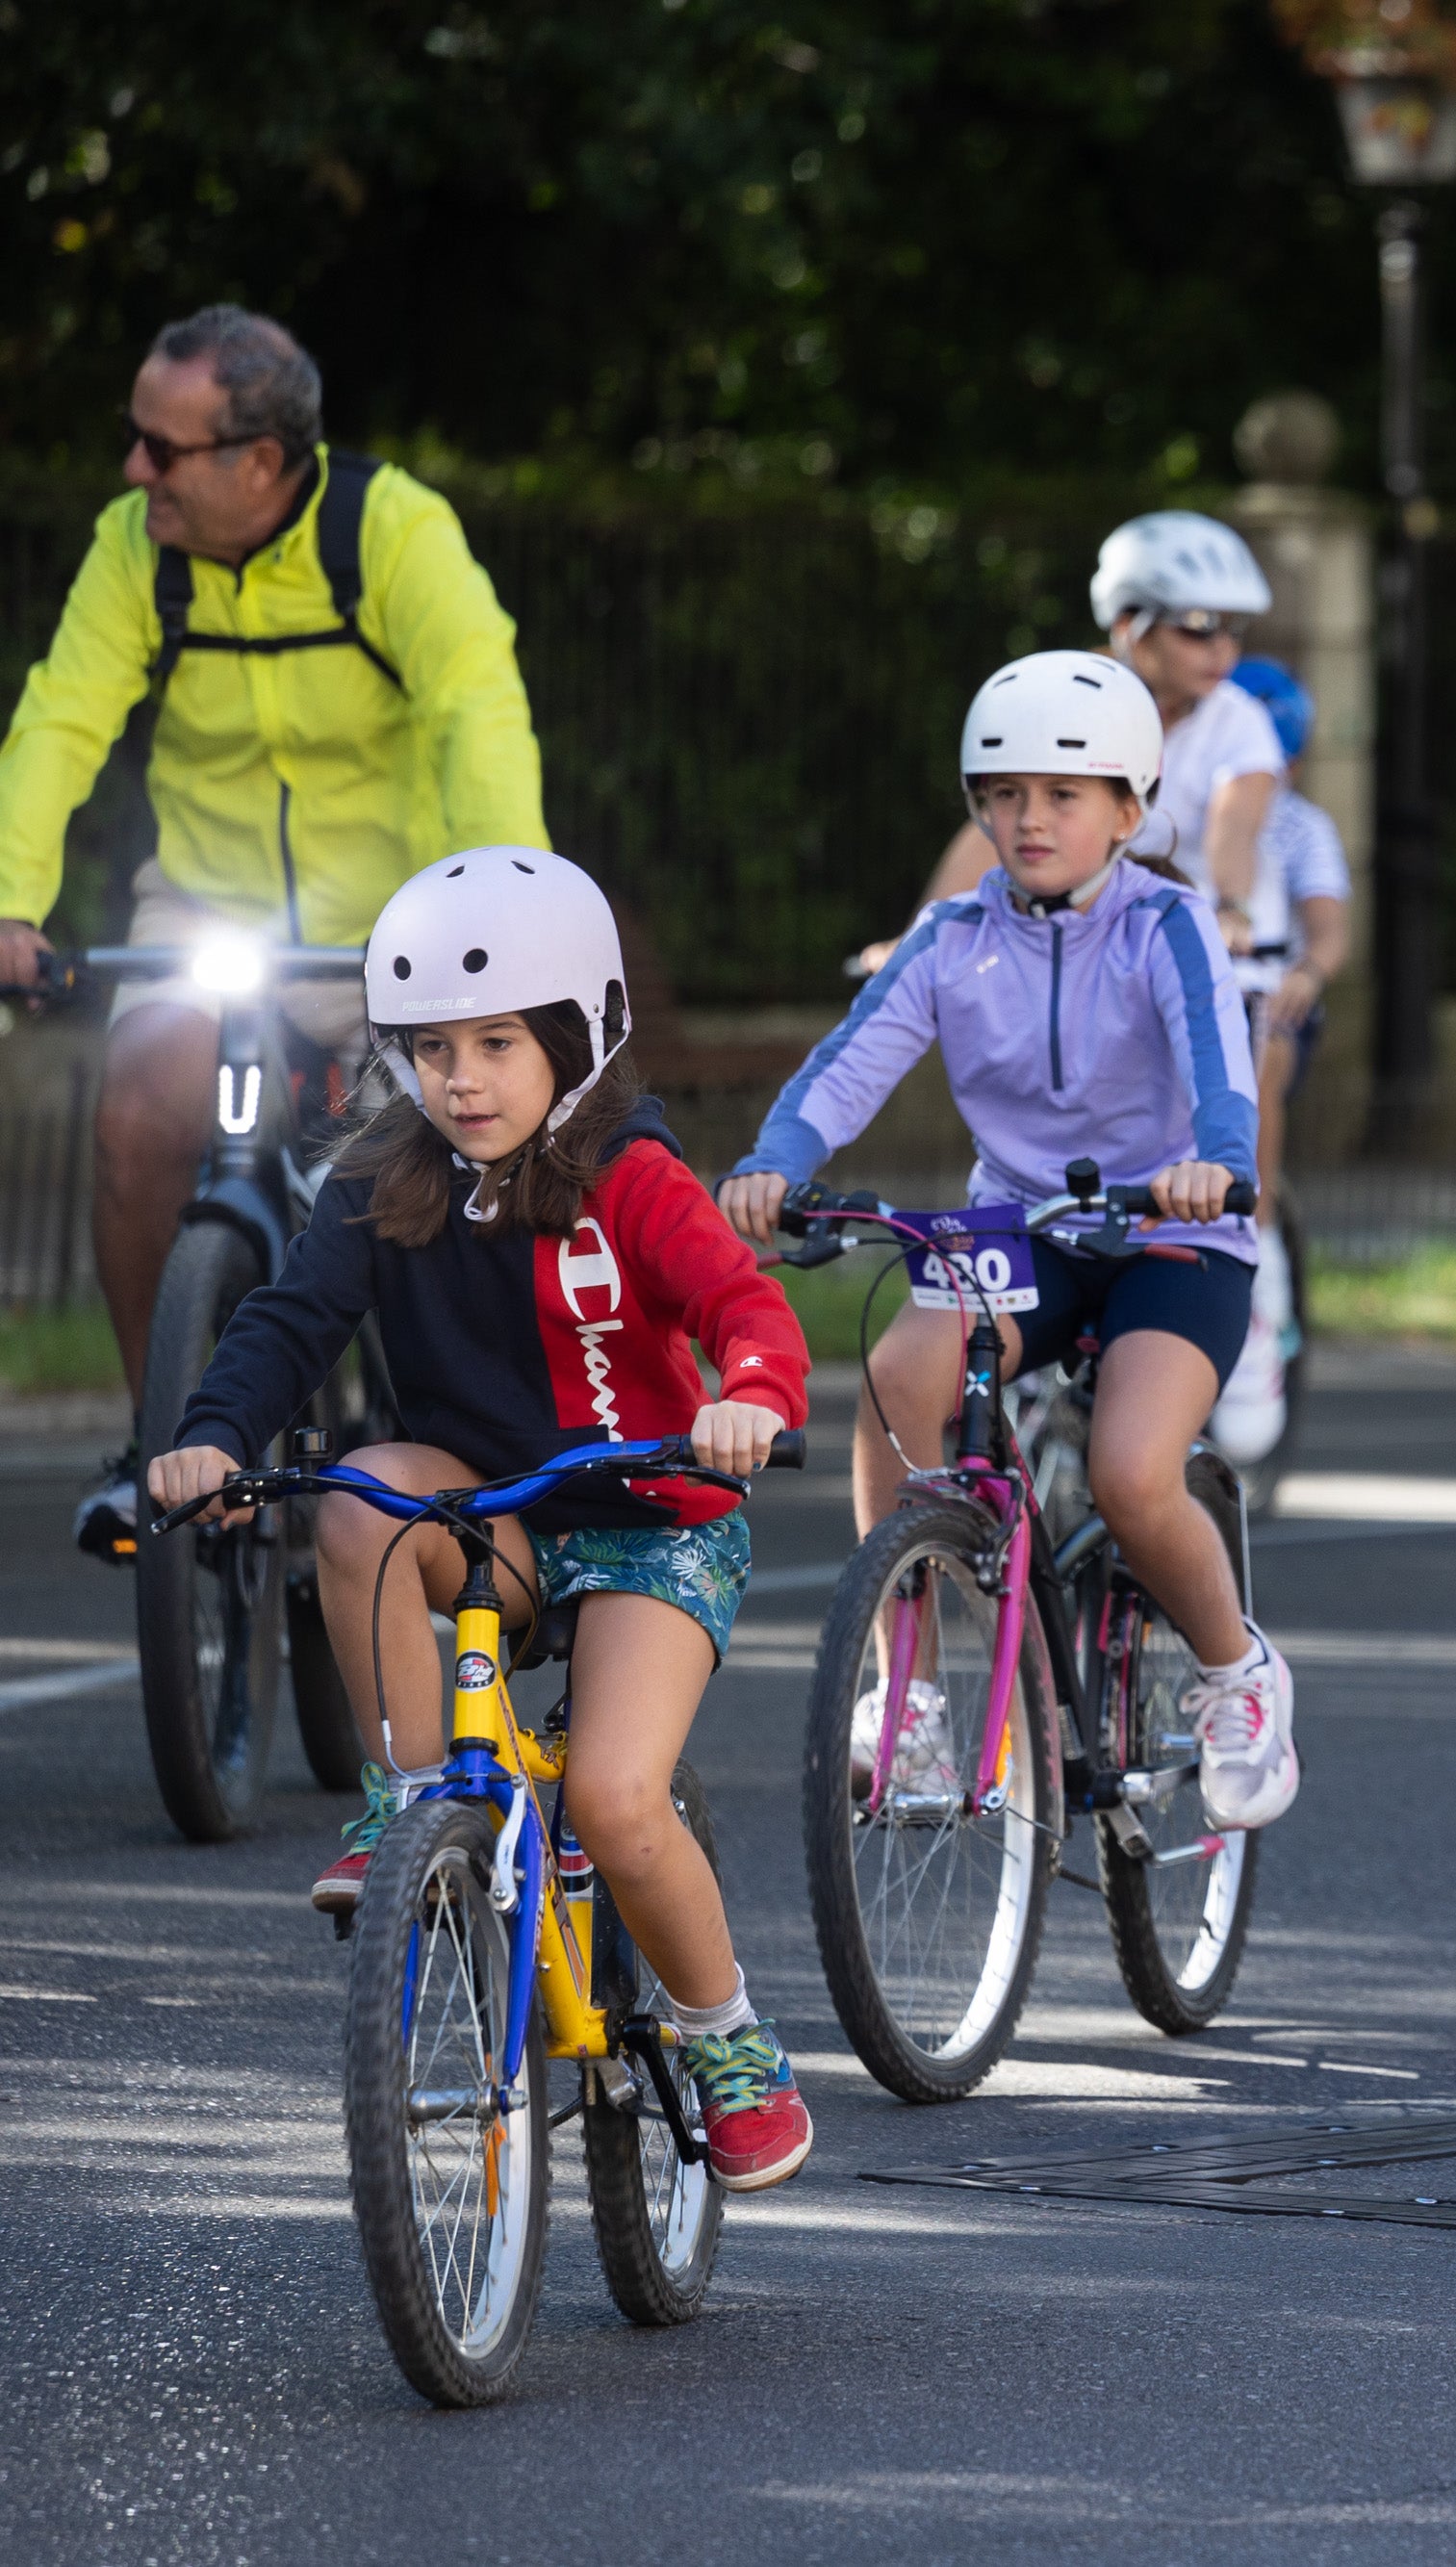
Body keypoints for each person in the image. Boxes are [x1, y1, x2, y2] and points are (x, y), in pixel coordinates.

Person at [140, 851, 816, 2190]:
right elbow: (287, 1321)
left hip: (648, 1518)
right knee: (360, 1497)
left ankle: (731, 2035)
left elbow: (745, 1303)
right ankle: (409, 1804)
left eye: (499, 1043)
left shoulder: (630, 1175)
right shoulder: (385, 1177)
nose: (462, 1077)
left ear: (576, 1034)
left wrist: (751, 1392)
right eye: (431, 1047)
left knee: (618, 1801)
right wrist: (212, 1431)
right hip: (495, 1515)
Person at [717, 653, 1299, 1831]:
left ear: (1130, 811)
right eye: (1003, 794)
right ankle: (909, 1695)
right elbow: (846, 1066)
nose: (1027, 820)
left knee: (1137, 1474)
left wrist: (1215, 1167)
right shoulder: (950, 938)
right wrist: (779, 1165)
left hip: (1165, 1232)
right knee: (896, 1378)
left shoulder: (1170, 926)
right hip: (1020, 1229)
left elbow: (1220, 1073)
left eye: (1063, 795)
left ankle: (1241, 1672)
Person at [0, 306, 548, 1555]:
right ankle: (161, 1442)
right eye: (133, 440)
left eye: (162, 447)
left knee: (439, 1177)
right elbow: (60, 720)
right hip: (204, 903)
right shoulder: (136, 547)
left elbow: (478, 710)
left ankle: (450, 1445)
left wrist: (502, 907)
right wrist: (8, 900)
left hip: (396, 926)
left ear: (259, 460)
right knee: (139, 1118)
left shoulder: (394, 534)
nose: (134, 470)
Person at [861, 509, 1284, 970]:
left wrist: (1231, 908)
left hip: (1207, 941)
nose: (1222, 646)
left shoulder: (1242, 719)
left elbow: (1236, 828)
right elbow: (1005, 821)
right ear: (1129, 628)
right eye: (1197, 625)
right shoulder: (1069, 700)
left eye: (1233, 627)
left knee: (1262, 1043)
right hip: (1085, 939)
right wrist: (920, 940)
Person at [1209, 655, 1354, 1468]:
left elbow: (1327, 926)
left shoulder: (1302, 828)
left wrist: (1309, 970)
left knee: (1264, 1046)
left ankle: (1256, 1271)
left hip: (1268, 998)